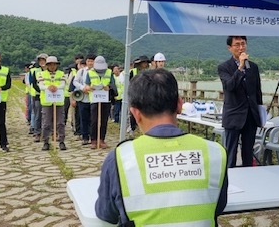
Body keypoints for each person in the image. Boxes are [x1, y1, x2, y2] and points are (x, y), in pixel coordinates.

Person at [95, 68, 228, 226]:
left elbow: (106, 213)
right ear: (179, 105)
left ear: (135, 113)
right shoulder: (215, 152)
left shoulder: (119, 158)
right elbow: (218, 206)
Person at [217, 36, 263, 168]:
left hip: (250, 116)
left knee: (248, 153)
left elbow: (257, 92)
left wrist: (260, 114)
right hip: (233, 116)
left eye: (243, 44)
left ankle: (248, 181)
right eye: (237, 45)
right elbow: (230, 86)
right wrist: (241, 67)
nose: (241, 47)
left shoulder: (253, 67)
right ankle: (230, 184)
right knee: (231, 153)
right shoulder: (224, 67)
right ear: (229, 48)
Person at [85, 56, 117, 149]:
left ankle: (102, 139)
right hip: (94, 99)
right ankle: (94, 140)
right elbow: (86, 86)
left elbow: (113, 84)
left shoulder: (109, 72)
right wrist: (89, 88)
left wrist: (109, 87)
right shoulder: (90, 72)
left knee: (104, 120)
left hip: (105, 99)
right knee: (94, 120)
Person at [38, 56, 67, 151]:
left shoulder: (62, 74)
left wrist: (56, 87)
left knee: (60, 123)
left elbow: (63, 85)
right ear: (47, 65)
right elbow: (41, 86)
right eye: (50, 64)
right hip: (46, 102)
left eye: (54, 64)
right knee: (46, 123)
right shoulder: (41, 74)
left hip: (58, 101)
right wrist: (49, 87)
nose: (52, 66)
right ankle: (46, 142)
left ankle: (61, 141)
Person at [73, 54, 96, 145]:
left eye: (92, 61)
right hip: (83, 98)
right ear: (86, 62)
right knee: (83, 118)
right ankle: (85, 137)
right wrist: (83, 88)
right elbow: (75, 81)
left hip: (94, 98)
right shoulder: (82, 71)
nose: (90, 63)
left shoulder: (98, 72)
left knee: (93, 119)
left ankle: (93, 136)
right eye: (89, 61)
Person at [128, 55, 152, 132]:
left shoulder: (149, 72)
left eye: (146, 63)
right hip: (135, 93)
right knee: (134, 111)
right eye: (143, 62)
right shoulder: (133, 71)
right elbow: (130, 82)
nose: (145, 64)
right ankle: (133, 127)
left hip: (145, 94)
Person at [29, 53, 48, 142]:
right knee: (38, 115)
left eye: (44, 60)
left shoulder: (51, 70)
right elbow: (33, 83)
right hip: (38, 95)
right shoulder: (35, 71)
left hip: (49, 95)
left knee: (48, 115)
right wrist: (42, 90)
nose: (42, 62)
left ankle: (49, 132)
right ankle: (37, 133)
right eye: (40, 60)